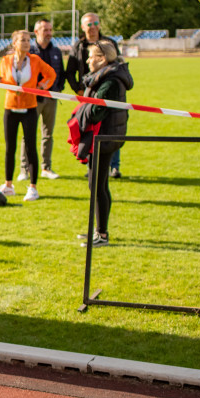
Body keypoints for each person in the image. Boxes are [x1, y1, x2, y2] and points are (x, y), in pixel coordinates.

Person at [0, 29, 56, 202]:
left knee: (30, 148)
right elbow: (6, 82)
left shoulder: (35, 60)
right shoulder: (5, 60)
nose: (27, 43)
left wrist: (41, 86)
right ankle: (8, 184)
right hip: (10, 108)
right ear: (14, 43)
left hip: (29, 108)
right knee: (9, 148)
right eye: (23, 40)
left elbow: (51, 74)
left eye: (28, 40)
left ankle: (33, 187)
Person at [77, 39, 132, 248]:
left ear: (102, 59)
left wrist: (84, 111)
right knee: (97, 185)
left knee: (97, 186)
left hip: (105, 137)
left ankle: (101, 234)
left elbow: (97, 112)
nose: (88, 61)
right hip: (105, 136)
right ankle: (97, 229)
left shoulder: (109, 81)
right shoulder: (105, 76)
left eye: (91, 57)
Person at [66, 13, 125, 177]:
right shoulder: (78, 46)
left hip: (105, 91)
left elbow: (118, 64)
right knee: (90, 127)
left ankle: (114, 166)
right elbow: (70, 71)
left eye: (95, 23)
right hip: (86, 93)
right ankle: (92, 165)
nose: (92, 27)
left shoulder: (109, 43)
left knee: (109, 128)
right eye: (89, 24)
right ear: (83, 27)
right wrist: (78, 91)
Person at [18, 19, 64, 181]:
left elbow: (60, 74)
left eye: (50, 30)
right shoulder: (29, 52)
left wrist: (58, 89)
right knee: (28, 135)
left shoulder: (57, 52)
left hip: (51, 99)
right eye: (45, 30)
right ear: (36, 32)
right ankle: (24, 169)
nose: (49, 33)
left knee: (48, 135)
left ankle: (46, 167)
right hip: (32, 99)